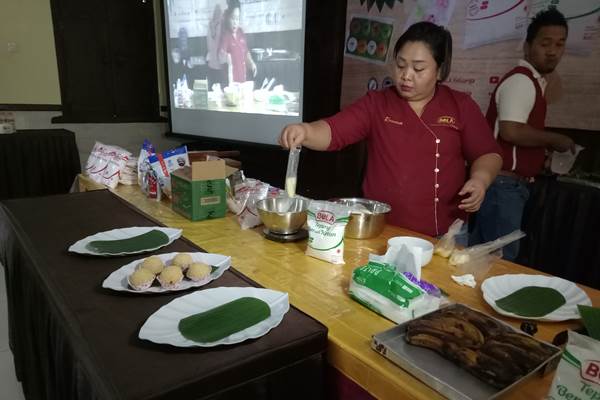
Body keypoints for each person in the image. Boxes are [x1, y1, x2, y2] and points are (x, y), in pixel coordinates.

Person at [279, 22, 502, 240]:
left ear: (440, 71)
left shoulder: (460, 105)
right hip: (381, 228)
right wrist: (305, 131)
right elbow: (334, 131)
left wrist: (480, 179)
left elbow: (487, 153)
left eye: (418, 68)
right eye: (400, 65)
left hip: (444, 232)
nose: (406, 75)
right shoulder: (377, 103)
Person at [469, 8, 576, 261]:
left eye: (560, 44)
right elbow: (511, 131)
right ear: (528, 46)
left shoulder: (534, 82)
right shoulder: (522, 81)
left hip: (506, 186)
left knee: (483, 257)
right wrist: (556, 139)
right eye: (545, 43)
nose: (552, 51)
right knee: (499, 260)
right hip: (502, 185)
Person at [219, 0, 257, 84]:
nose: (235, 22)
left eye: (237, 19)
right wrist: (226, 56)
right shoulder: (225, 36)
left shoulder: (241, 32)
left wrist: (251, 63)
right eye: (233, 18)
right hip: (231, 82)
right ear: (227, 18)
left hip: (243, 79)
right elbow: (221, 57)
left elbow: (246, 52)